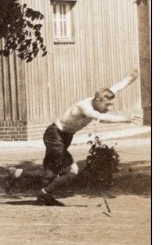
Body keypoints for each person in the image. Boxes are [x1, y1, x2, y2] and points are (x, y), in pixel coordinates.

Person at [23, 69, 140, 206]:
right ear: (97, 100)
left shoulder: (100, 98)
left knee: (49, 172)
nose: (109, 109)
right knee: (72, 171)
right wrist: (125, 119)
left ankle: (19, 175)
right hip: (55, 135)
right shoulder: (84, 106)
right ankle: (43, 194)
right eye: (107, 105)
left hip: (65, 137)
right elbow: (101, 117)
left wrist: (131, 78)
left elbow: (116, 87)